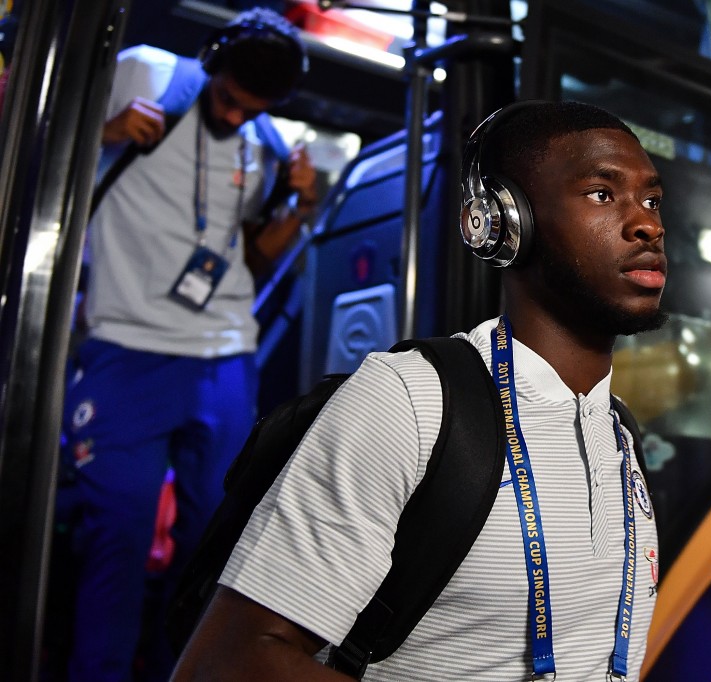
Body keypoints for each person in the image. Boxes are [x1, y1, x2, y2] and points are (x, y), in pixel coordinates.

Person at [170, 99, 667, 681]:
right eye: (602, 194)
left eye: (653, 200)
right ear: (502, 223)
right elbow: (226, 664)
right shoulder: (409, 403)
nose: (648, 224)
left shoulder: (619, 438)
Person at [58, 7, 317, 682]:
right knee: (117, 538)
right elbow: (39, 146)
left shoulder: (267, 139)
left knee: (213, 549)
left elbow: (253, 262)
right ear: (213, 59)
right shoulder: (145, 70)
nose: (234, 117)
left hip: (225, 356)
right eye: (229, 98)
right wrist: (105, 132)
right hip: (124, 349)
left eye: (251, 107)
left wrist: (299, 212)